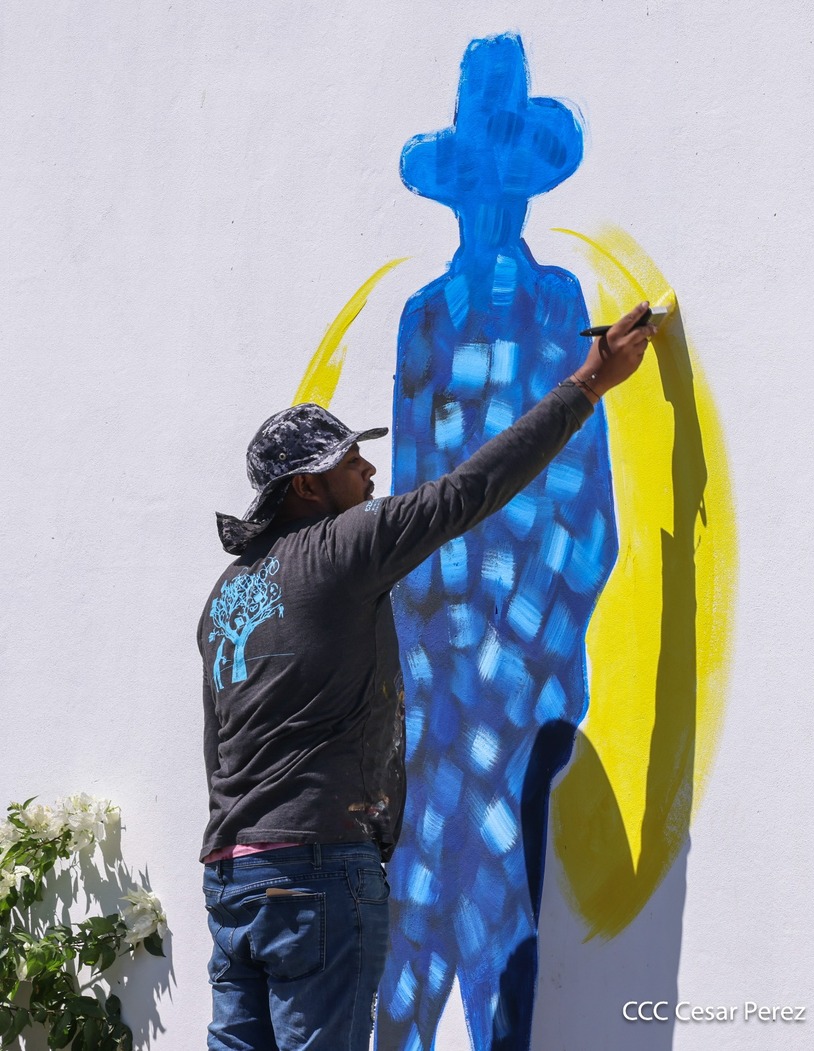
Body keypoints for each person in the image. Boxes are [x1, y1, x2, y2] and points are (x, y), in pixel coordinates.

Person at [198, 302, 656, 1051]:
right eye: (350, 461)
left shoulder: (225, 595)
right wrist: (588, 383)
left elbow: (217, 749)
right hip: (314, 867)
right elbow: (468, 491)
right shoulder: (340, 547)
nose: (369, 469)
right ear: (306, 488)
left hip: (232, 873)